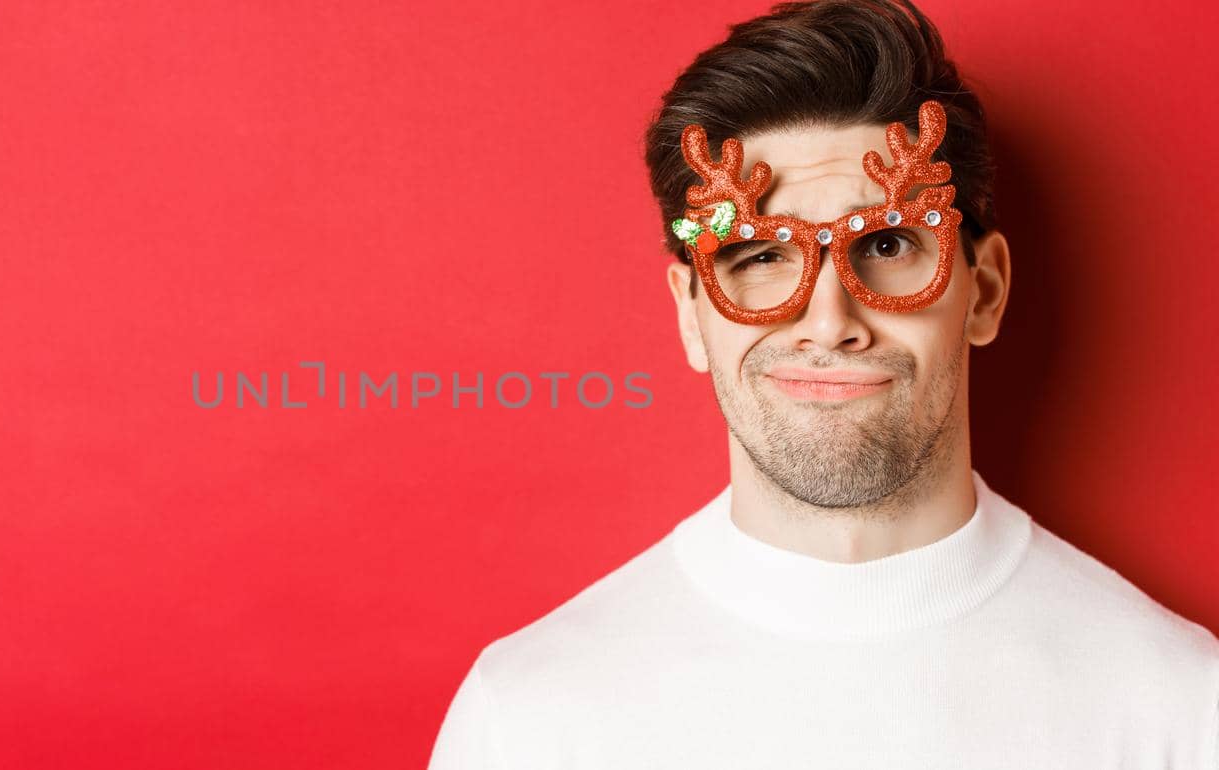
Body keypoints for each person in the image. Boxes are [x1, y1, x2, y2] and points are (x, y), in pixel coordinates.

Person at [425, 1, 1219, 767]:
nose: (827, 321)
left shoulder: (1180, 711)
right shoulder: (528, 721)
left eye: (887, 244)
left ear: (984, 290)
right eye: (762, 258)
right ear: (692, 317)